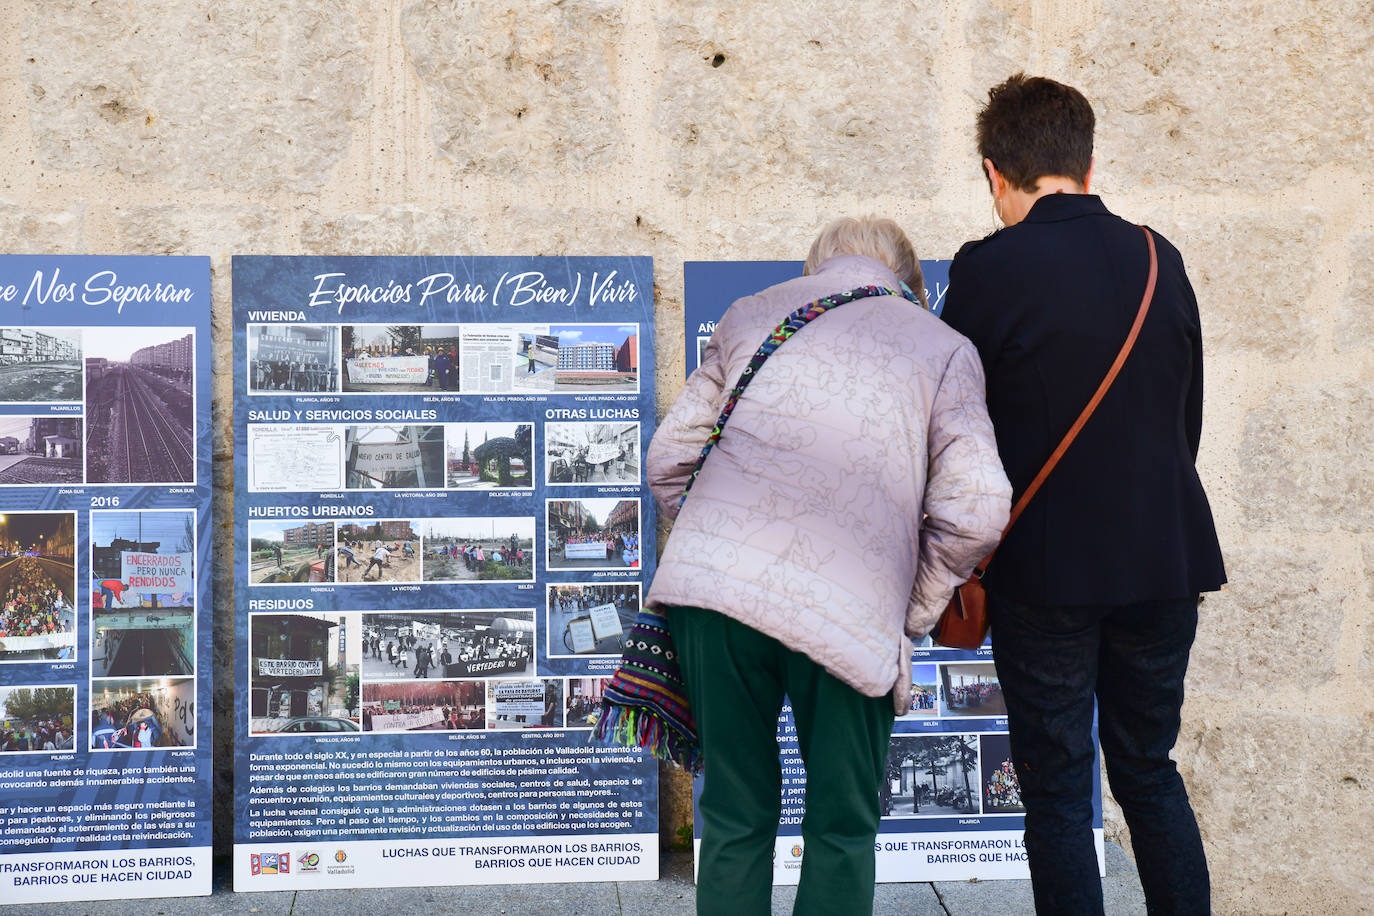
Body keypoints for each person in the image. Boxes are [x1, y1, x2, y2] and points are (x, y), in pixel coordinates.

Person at [645, 216, 1010, 915]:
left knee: (732, 815)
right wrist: (913, 606)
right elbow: (980, 506)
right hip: (850, 606)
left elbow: (669, 460)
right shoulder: (943, 347)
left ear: (816, 270)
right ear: (912, 284)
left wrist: (723, 544)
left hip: (714, 604)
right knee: (842, 826)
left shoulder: (752, 313)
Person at [940, 74, 1226, 916]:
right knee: (1148, 769)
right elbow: (1189, 418)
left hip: (1048, 572)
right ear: (1089, 165)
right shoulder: (1156, 256)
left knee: (1061, 794)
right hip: (1163, 559)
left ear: (995, 174)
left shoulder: (988, 269)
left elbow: (959, 427)